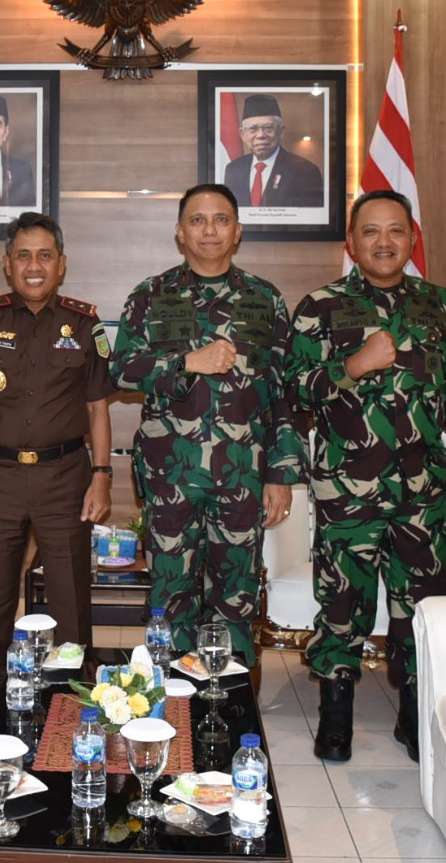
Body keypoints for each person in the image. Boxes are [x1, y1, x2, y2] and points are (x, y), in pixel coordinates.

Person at [288, 189, 446, 764]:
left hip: (421, 489)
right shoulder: (321, 306)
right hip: (348, 489)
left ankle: (413, 718)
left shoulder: (438, 306)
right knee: (342, 603)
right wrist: (354, 364)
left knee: (420, 606)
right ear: (352, 243)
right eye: (370, 231)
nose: (384, 241)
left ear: (412, 238)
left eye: (396, 230)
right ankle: (336, 719)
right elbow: (294, 388)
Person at [112, 183, 302, 670]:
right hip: (171, 476)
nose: (209, 230)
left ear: (237, 231)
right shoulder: (150, 295)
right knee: (170, 594)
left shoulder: (266, 299)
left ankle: (228, 698)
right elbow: (120, 370)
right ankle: (173, 698)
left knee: (236, 596)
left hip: (244, 476)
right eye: (197, 220)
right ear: (180, 232)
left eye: (221, 220)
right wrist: (185, 362)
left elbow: (284, 392)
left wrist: (281, 474)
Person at [0, 212, 114, 742]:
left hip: (65, 474)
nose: (33, 265)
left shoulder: (84, 324)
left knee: (69, 594)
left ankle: (70, 699)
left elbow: (98, 409)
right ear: (7, 263)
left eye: (44, 255)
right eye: (23, 255)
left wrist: (102, 476)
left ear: (61, 264)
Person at [221, 93, 324, 209]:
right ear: (242, 134)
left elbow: (310, 217)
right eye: (253, 129)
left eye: (268, 128)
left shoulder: (305, 171)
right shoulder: (233, 169)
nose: (261, 135)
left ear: (281, 132)